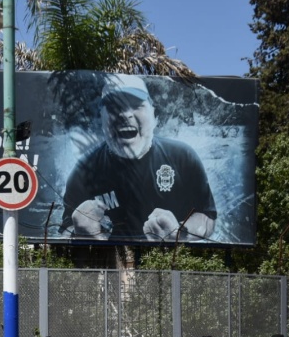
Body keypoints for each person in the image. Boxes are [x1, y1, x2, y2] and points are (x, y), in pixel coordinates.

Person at [61, 73, 217, 242]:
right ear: (101, 121)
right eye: (114, 107)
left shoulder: (183, 158)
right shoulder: (83, 172)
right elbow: (63, 230)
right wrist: (79, 231)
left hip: (167, 262)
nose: (125, 114)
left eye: (136, 105)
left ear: (154, 117)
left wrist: (179, 232)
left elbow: (207, 217)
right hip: (111, 264)